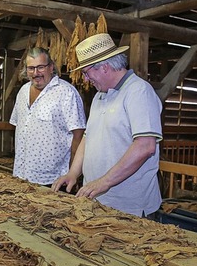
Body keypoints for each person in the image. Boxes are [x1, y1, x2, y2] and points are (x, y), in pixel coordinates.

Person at [52, 33, 163, 218]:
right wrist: (73, 173)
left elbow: (145, 146)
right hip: (96, 201)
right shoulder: (99, 96)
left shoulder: (138, 91)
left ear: (104, 67)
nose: (86, 79)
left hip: (129, 207)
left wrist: (104, 182)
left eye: (86, 72)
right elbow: (88, 137)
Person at [10, 47, 86, 186]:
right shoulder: (22, 91)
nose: (35, 73)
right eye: (31, 68)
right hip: (21, 176)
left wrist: (72, 174)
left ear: (51, 67)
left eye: (40, 67)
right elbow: (20, 127)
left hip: (53, 180)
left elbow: (78, 135)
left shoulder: (66, 92)